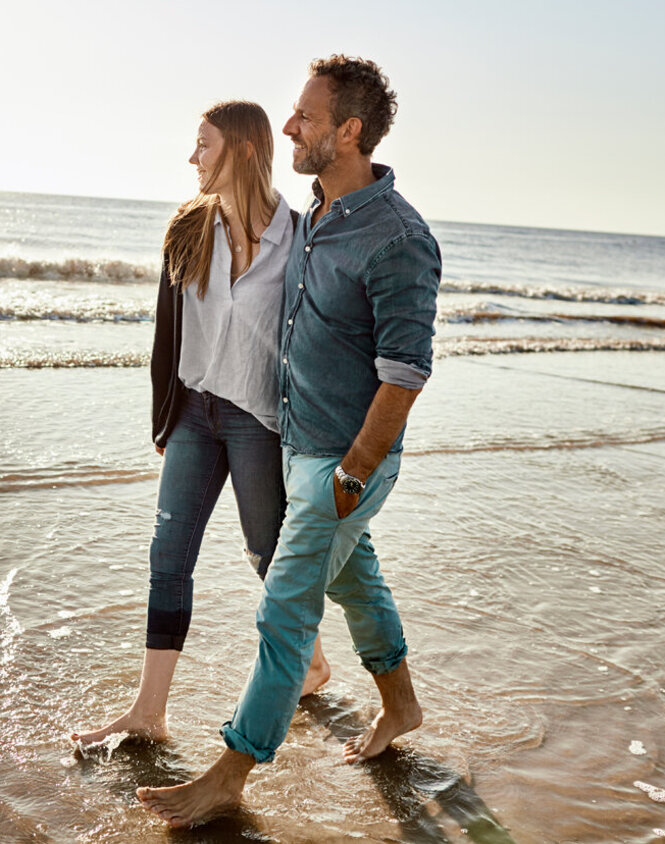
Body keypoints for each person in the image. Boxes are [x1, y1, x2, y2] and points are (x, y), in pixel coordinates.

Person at [137, 54, 441, 827]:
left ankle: (231, 771)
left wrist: (353, 473)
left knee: (285, 610)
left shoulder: (398, 238)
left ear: (350, 131)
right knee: (358, 587)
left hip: (344, 462)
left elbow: (405, 374)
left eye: (306, 116)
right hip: (297, 448)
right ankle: (401, 707)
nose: (290, 126)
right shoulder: (315, 220)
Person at [71, 101, 331, 748]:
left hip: (257, 421)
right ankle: (148, 710)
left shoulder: (299, 239)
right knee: (168, 557)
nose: (193, 158)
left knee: (267, 553)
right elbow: (167, 334)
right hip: (192, 412)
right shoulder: (187, 227)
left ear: (242, 149)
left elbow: (315, 342)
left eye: (204, 145)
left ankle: (313, 662)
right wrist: (163, 420)